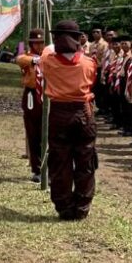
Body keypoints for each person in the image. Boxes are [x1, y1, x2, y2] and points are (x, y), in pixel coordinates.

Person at [35, 20, 98, 220]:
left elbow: (45, 53)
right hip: (83, 112)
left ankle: (63, 206)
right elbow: (93, 80)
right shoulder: (89, 62)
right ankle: (82, 207)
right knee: (85, 160)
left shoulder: (48, 61)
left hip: (59, 112)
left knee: (59, 160)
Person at [15, 28, 45, 182]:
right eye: (36, 43)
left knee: (47, 133)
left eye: (41, 42)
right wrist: (34, 60)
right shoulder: (27, 57)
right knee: (33, 132)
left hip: (46, 95)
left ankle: (49, 167)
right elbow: (19, 60)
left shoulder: (48, 56)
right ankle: (37, 168)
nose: (39, 45)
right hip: (32, 95)